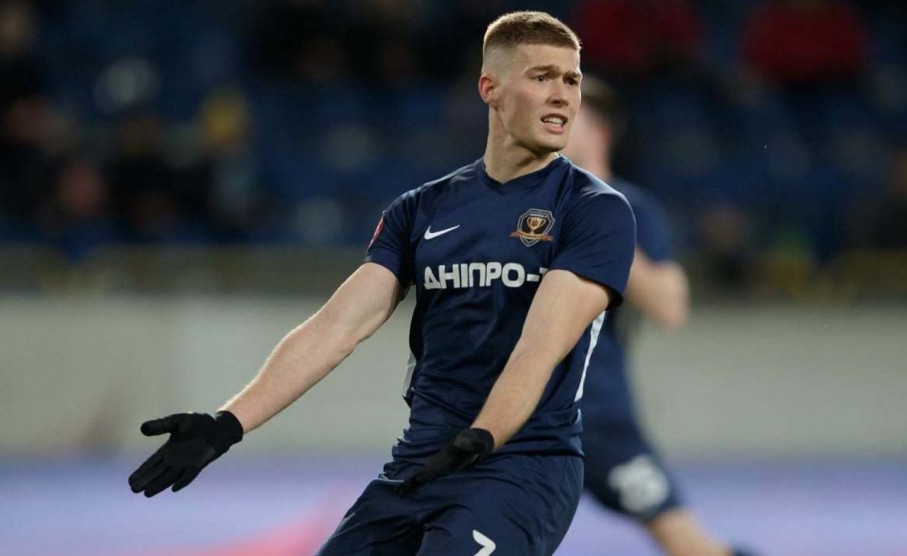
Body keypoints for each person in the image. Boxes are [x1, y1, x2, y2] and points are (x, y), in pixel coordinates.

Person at [128, 11, 636, 556]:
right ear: (489, 88)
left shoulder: (594, 210)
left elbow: (539, 347)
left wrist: (482, 436)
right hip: (421, 461)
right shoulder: (422, 209)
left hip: (522, 469)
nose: (563, 95)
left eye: (571, 80)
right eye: (542, 77)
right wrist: (227, 424)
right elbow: (336, 327)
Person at [562, 77, 750, 556]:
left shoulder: (631, 208)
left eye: (568, 114)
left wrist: (598, 223)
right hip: (515, 409)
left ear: (600, 130)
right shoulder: (522, 206)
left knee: (685, 541)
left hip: (598, 417)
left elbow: (670, 306)